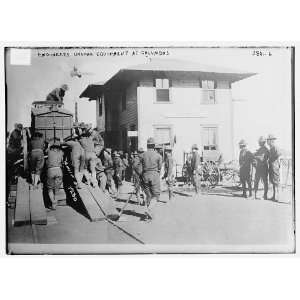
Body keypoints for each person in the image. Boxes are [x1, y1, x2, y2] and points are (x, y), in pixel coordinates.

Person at [139, 137, 162, 221]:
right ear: (154, 145)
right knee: (156, 196)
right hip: (154, 175)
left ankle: (147, 216)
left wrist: (141, 176)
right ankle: (148, 210)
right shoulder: (158, 156)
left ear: (147, 145)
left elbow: (139, 167)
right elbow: (159, 167)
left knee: (148, 195)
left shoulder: (142, 155)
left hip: (145, 175)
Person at [46, 140, 64, 210]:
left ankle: (53, 201)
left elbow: (46, 150)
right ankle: (55, 204)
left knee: (50, 188)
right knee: (56, 189)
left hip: (50, 170)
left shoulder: (49, 151)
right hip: (59, 170)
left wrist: (49, 145)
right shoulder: (61, 152)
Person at [267, 134, 281, 201]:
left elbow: (279, 153)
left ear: (271, 141)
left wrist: (273, 159)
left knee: (276, 182)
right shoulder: (271, 148)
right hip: (271, 166)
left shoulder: (275, 147)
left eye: (268, 140)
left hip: (274, 167)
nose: (267, 142)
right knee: (273, 181)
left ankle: (277, 197)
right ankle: (274, 196)